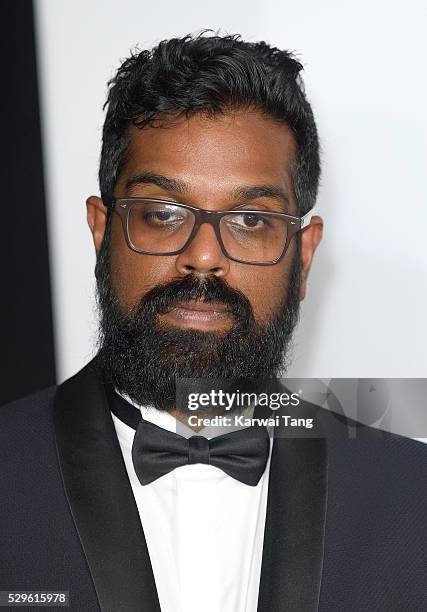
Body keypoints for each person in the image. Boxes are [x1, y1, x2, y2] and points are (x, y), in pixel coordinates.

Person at [1, 33, 425, 612]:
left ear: (303, 256)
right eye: (162, 214)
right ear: (102, 234)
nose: (203, 256)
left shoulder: (412, 499)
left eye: (251, 219)